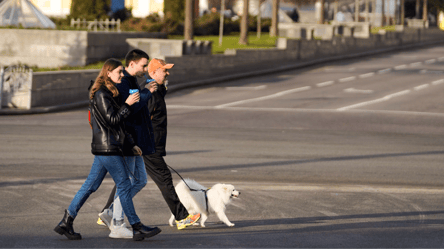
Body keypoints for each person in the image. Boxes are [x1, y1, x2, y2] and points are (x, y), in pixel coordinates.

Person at [54, 58, 161, 241]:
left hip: (106, 147)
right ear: (108, 73)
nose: (122, 74)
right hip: (107, 148)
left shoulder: (111, 92)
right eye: (119, 71)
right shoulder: (101, 94)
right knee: (124, 185)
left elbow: (120, 126)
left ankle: (66, 221)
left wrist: (131, 144)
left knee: (90, 186)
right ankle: (136, 226)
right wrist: (127, 104)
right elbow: (113, 121)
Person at [144, 58, 201, 230]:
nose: (168, 73)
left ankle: (106, 213)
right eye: (164, 70)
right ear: (153, 73)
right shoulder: (150, 93)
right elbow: (141, 121)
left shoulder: (156, 90)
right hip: (149, 146)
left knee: (128, 180)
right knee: (164, 178)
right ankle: (181, 217)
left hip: (149, 145)